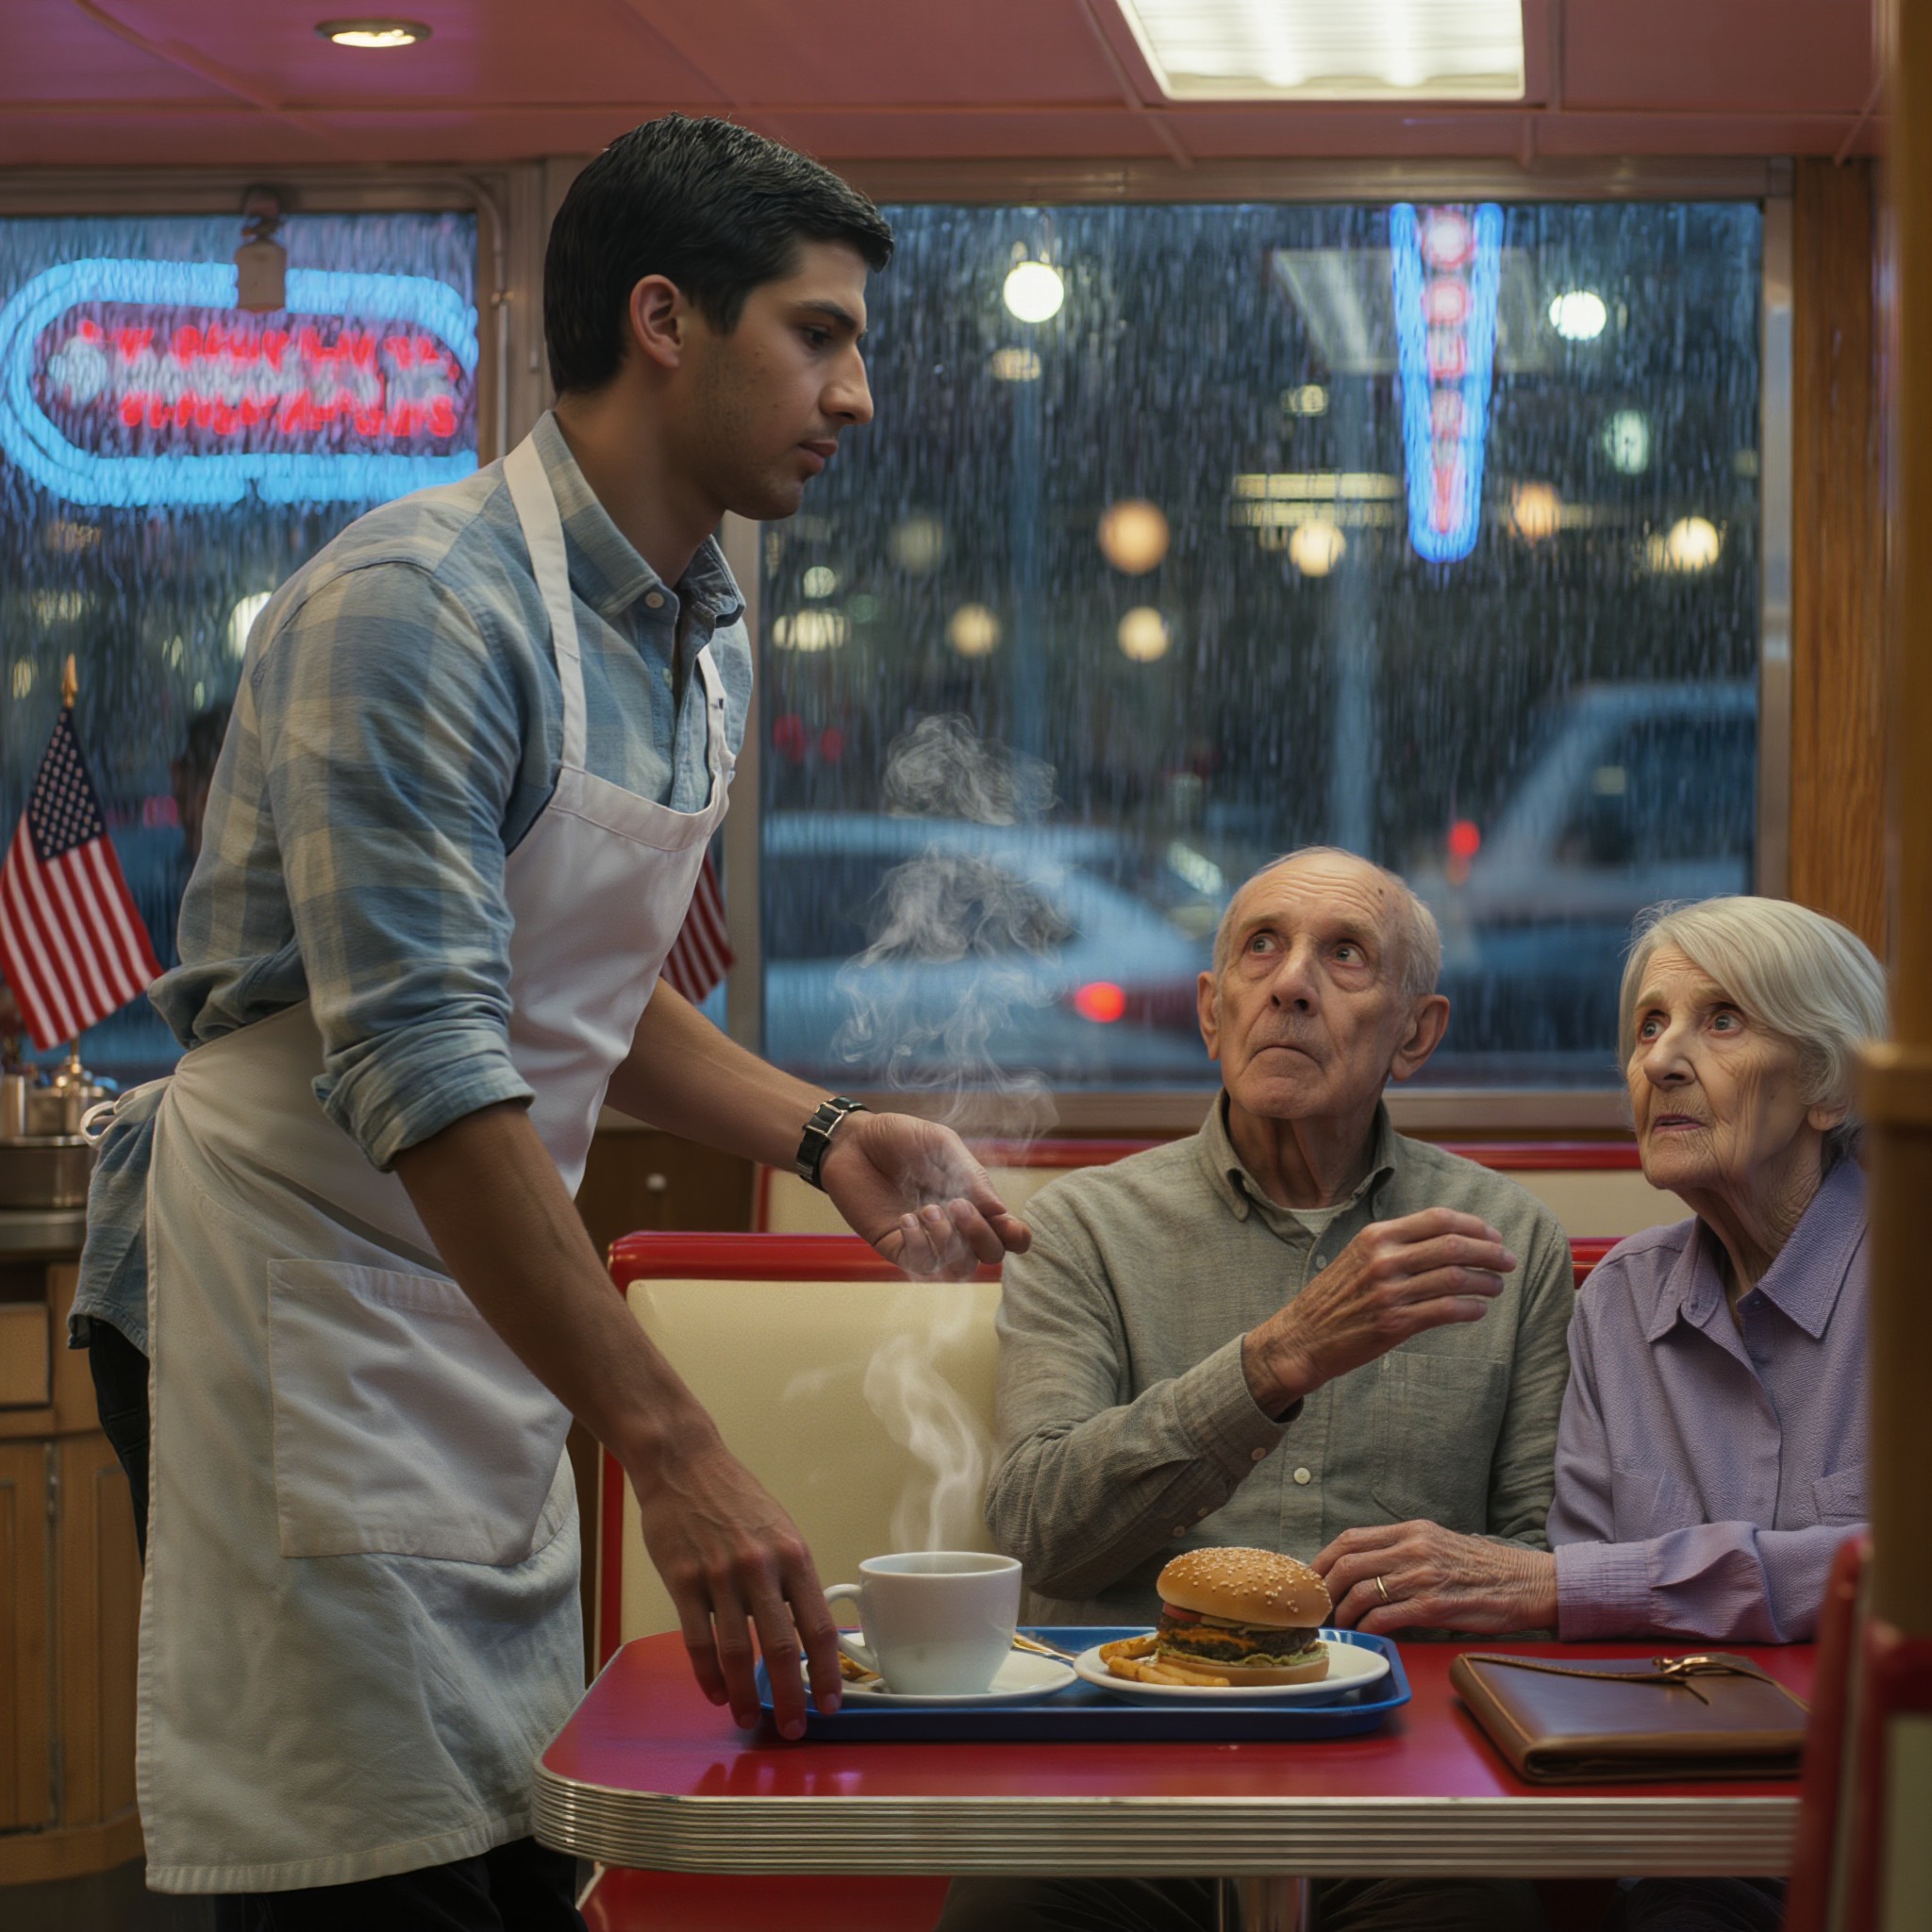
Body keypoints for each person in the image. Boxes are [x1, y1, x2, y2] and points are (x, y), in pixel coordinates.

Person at [70, 114, 1029, 1925]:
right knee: (355, 1863)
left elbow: (577, 989)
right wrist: (669, 1439)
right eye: (817, 336)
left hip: (473, 1308)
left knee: (513, 1847)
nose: (860, 394)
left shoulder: (702, 631)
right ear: (662, 321)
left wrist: (822, 1132)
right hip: (283, 1287)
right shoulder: (418, 610)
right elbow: (430, 1067)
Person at [940, 846, 1576, 1932]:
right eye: (1260, 949)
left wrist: (1488, 1575)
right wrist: (1277, 1357)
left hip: (1402, 1783)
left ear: (1414, 1032)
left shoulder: (1507, 1239)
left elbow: (1536, 1568)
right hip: (1115, 1780)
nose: (1290, 982)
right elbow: (1037, 1529)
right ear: (1210, 1008)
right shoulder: (1082, 1228)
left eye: (1343, 956)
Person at [1323, 895, 1882, 1932]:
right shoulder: (1621, 1296)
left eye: (1721, 1020)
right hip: (1685, 1837)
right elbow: (1593, 1608)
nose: (1661, 1059)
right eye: (1646, 1025)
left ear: (1828, 1085)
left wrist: (1566, 1584)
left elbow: (1888, 1576)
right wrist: (1579, 1587)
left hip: (1898, 1818)